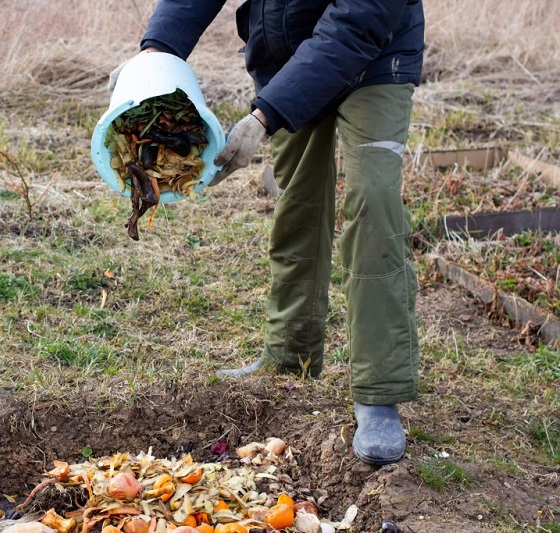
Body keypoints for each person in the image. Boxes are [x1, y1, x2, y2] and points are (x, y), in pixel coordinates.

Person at [110, 0, 424, 466]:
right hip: (289, 56)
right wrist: (157, 50)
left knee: (373, 201)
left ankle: (380, 393)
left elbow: (356, 22)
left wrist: (265, 116)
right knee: (298, 201)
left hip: (376, 54)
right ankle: (290, 355)